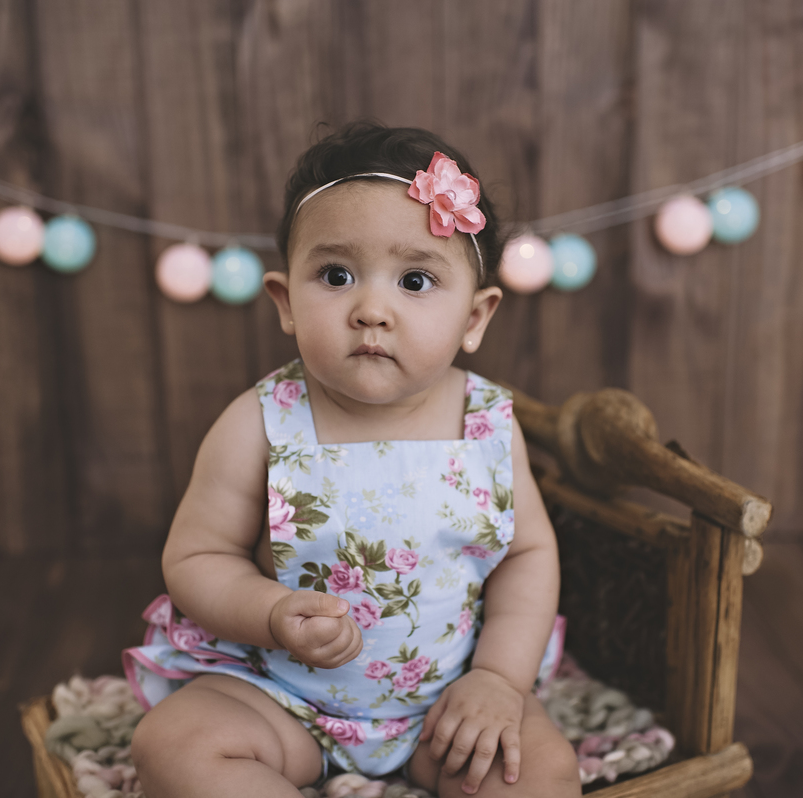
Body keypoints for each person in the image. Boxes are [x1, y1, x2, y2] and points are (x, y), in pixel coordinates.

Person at [124, 122, 581, 798]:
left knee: (540, 775)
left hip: (446, 700)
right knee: (170, 747)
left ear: (475, 317)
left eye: (416, 280)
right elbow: (197, 558)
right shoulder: (260, 421)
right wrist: (272, 612)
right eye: (336, 276)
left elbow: (527, 556)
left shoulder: (487, 422)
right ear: (285, 300)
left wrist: (496, 681)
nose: (371, 309)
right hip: (279, 695)